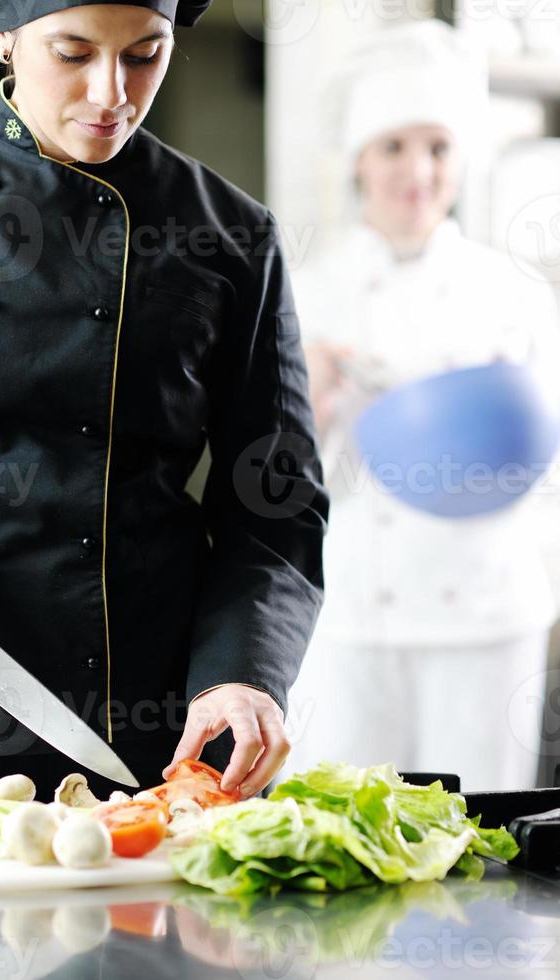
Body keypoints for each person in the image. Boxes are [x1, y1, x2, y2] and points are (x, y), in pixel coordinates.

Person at [0, 0, 328, 832]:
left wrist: (242, 672)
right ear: (6, 36)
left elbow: (274, 500)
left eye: (145, 56)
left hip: (138, 725)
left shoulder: (227, 233)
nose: (110, 92)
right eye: (72, 54)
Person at [281, 20, 560, 792]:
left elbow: (549, 471)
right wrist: (314, 401)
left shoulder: (513, 292)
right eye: (394, 146)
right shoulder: (308, 292)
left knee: (475, 844)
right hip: (351, 613)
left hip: (485, 610)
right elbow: (268, 484)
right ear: (359, 160)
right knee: (344, 838)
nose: (418, 171)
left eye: (438, 148)